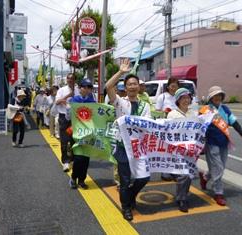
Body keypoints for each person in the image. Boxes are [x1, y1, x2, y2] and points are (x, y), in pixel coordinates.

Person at [106, 59, 151, 221]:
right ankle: (126, 207)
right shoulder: (119, 102)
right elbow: (108, 86)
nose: (132, 86)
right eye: (129, 84)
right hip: (123, 146)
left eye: (135, 84)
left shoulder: (145, 106)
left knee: (144, 177)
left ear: (139, 87)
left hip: (139, 147)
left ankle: (130, 196)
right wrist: (121, 72)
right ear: (125, 87)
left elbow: (148, 125)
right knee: (124, 180)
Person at [199, 86, 242, 206]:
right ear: (211, 98)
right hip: (211, 143)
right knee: (218, 168)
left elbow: (234, 122)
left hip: (224, 143)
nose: (218, 97)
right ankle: (218, 193)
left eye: (219, 95)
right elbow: (199, 128)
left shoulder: (225, 109)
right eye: (215, 95)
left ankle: (205, 177)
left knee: (220, 166)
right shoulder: (205, 110)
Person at [167, 88, 196, 213]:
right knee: (183, 175)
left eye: (187, 97)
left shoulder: (193, 114)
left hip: (189, 151)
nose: (186, 100)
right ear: (178, 100)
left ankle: (183, 195)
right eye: (183, 98)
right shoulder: (172, 114)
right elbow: (167, 132)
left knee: (188, 175)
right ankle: (182, 199)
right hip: (176, 151)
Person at [68, 78, 96, 190]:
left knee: (86, 158)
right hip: (76, 133)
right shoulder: (74, 100)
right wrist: (69, 110)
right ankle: (74, 178)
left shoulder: (93, 102)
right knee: (78, 157)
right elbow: (67, 116)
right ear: (80, 88)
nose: (87, 89)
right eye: (85, 87)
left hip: (88, 133)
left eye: (89, 87)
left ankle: (82, 180)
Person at [155, 78, 180, 181]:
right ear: (168, 86)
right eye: (172, 86)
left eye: (176, 86)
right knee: (166, 150)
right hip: (165, 128)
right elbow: (157, 112)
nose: (174, 88)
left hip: (178, 128)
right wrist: (164, 112)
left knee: (176, 150)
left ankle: (174, 171)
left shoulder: (180, 97)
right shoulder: (163, 97)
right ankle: (165, 172)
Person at [55, 73, 77, 172]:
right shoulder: (61, 90)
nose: (70, 80)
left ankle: (73, 159)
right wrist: (68, 95)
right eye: (68, 79)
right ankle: (65, 162)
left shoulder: (78, 90)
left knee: (74, 140)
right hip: (63, 117)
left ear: (74, 80)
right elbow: (57, 102)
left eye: (72, 79)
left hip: (75, 118)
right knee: (64, 140)